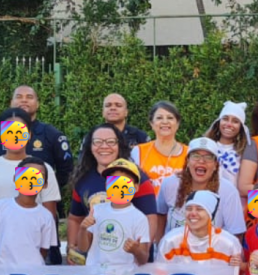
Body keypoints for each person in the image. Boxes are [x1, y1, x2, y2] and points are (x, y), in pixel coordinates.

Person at [0, 85, 72, 265]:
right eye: (19, 96)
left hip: (37, 242)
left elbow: (64, 172)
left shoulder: (50, 137)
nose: (24, 100)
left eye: (29, 96)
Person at [66, 127, 158, 264]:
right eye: (97, 141)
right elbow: (75, 218)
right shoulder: (82, 180)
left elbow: (150, 218)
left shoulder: (140, 179)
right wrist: (73, 248)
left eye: (110, 141)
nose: (104, 146)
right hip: (97, 262)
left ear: (119, 145)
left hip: (128, 265)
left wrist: (139, 251)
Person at [156, 138, 246, 244]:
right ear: (187, 161)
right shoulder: (170, 184)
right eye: (196, 156)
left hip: (212, 255)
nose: (201, 161)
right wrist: (159, 246)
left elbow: (236, 234)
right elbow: (160, 215)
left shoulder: (228, 191)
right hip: (173, 254)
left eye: (208, 157)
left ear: (215, 165)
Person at [158, 190, 243, 265]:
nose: (193, 213)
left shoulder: (229, 243)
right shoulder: (170, 240)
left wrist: (238, 266)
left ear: (210, 215)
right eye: (189, 209)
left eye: (199, 209)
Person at [132, 101, 186, 194]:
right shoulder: (138, 151)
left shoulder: (189, 153)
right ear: (152, 123)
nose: (165, 122)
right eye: (159, 118)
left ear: (177, 124)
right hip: (146, 207)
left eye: (170, 118)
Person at [79, 93, 148, 154]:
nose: (112, 108)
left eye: (118, 105)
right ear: (102, 112)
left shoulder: (140, 137)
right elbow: (83, 165)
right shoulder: (92, 136)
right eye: (108, 105)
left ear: (126, 112)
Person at [204, 101, 250, 185]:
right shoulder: (205, 147)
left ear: (241, 127)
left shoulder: (246, 152)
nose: (229, 124)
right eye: (225, 119)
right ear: (219, 122)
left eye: (235, 121)